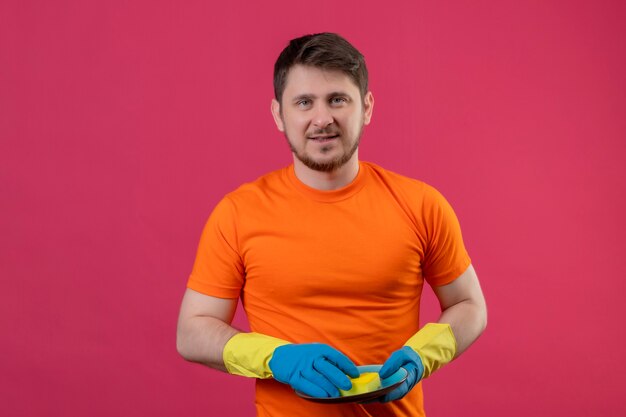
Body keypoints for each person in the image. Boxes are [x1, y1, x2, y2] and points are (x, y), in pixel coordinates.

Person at [176, 32, 487, 417]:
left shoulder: (421, 204)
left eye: (337, 99)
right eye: (304, 102)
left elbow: (470, 304)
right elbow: (191, 332)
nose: (322, 118)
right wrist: (276, 358)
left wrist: (422, 355)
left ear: (367, 107)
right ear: (278, 114)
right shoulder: (238, 213)